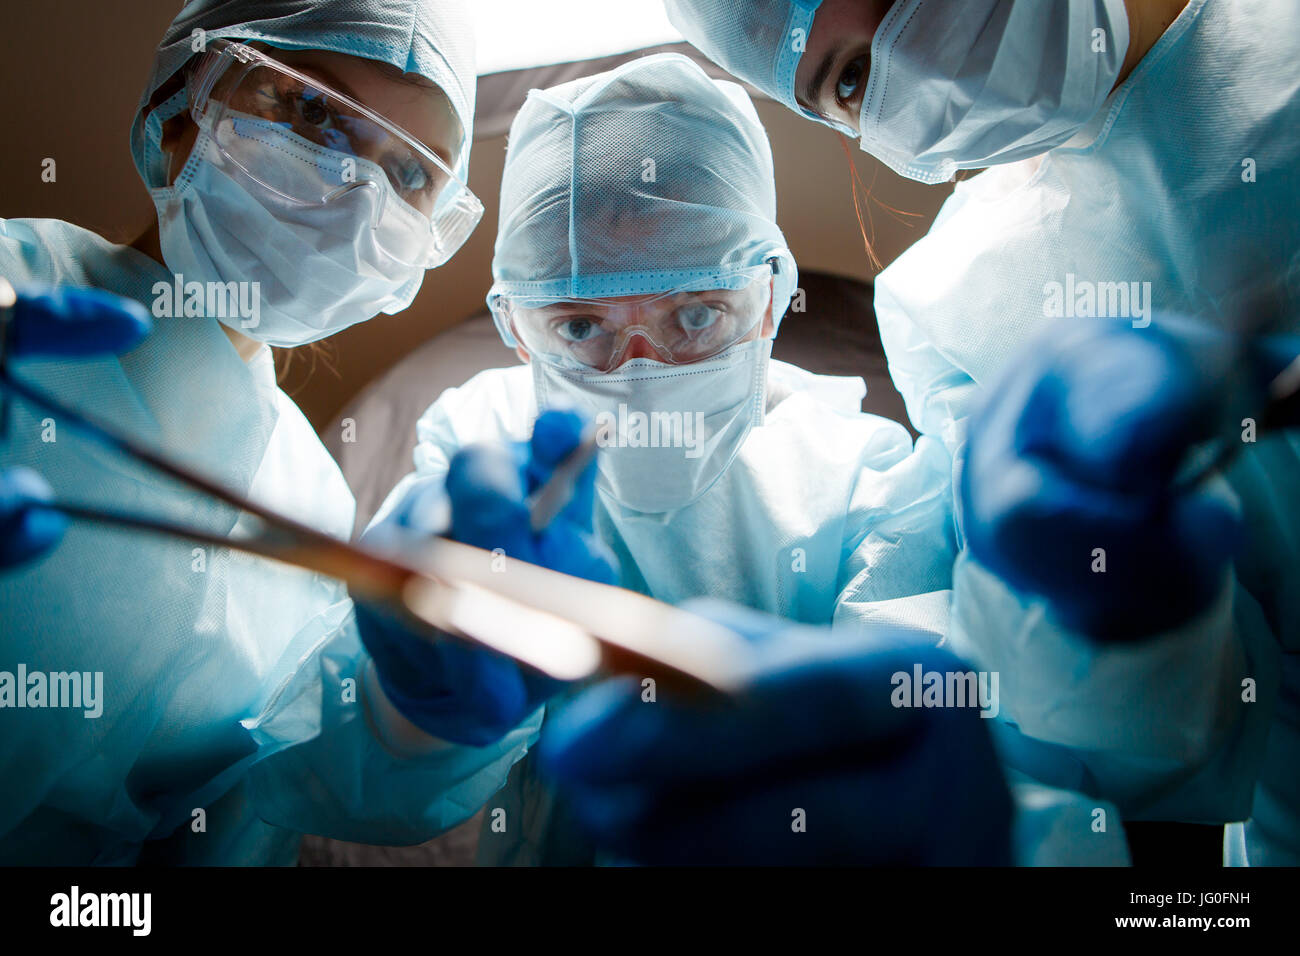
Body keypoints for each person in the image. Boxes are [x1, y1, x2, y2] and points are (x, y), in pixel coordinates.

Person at [639, 0, 1300, 864]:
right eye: (849, 76)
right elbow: (1147, 750)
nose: (926, 57)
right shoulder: (956, 303)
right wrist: (1113, 614)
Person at [367, 53, 966, 865]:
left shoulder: (867, 476)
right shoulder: (478, 452)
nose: (641, 371)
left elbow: (923, 721)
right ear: (515, 330)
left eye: (694, 315)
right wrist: (413, 705)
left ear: (767, 302)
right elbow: (356, 787)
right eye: (581, 327)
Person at [0, 0, 542, 866]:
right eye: (312, 110)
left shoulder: (312, 510)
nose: (356, 190)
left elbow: (243, 811)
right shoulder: (12, 294)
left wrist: (419, 712)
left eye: (412, 175)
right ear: (183, 103)